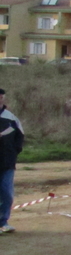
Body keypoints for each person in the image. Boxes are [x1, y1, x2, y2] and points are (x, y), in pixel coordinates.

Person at [0, 88, 24, 235]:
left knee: (6, 193)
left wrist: (14, 153)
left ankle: (3, 222)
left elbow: (20, 137)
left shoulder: (11, 118)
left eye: (1, 97)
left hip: (6, 162)